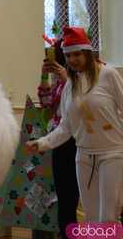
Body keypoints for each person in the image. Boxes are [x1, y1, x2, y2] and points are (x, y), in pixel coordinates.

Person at [26, 27, 123, 222]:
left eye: (77, 54)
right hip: (83, 156)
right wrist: (42, 143)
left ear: (87, 52)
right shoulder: (70, 85)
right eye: (69, 55)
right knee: (92, 216)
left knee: (108, 217)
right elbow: (65, 127)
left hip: (112, 153)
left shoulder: (108, 74)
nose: (73, 60)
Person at [38, 38, 79, 239]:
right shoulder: (59, 82)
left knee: (72, 198)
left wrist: (66, 77)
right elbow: (46, 103)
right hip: (59, 140)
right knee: (65, 199)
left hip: (77, 141)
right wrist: (44, 76)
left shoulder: (81, 79)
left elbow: (82, 101)